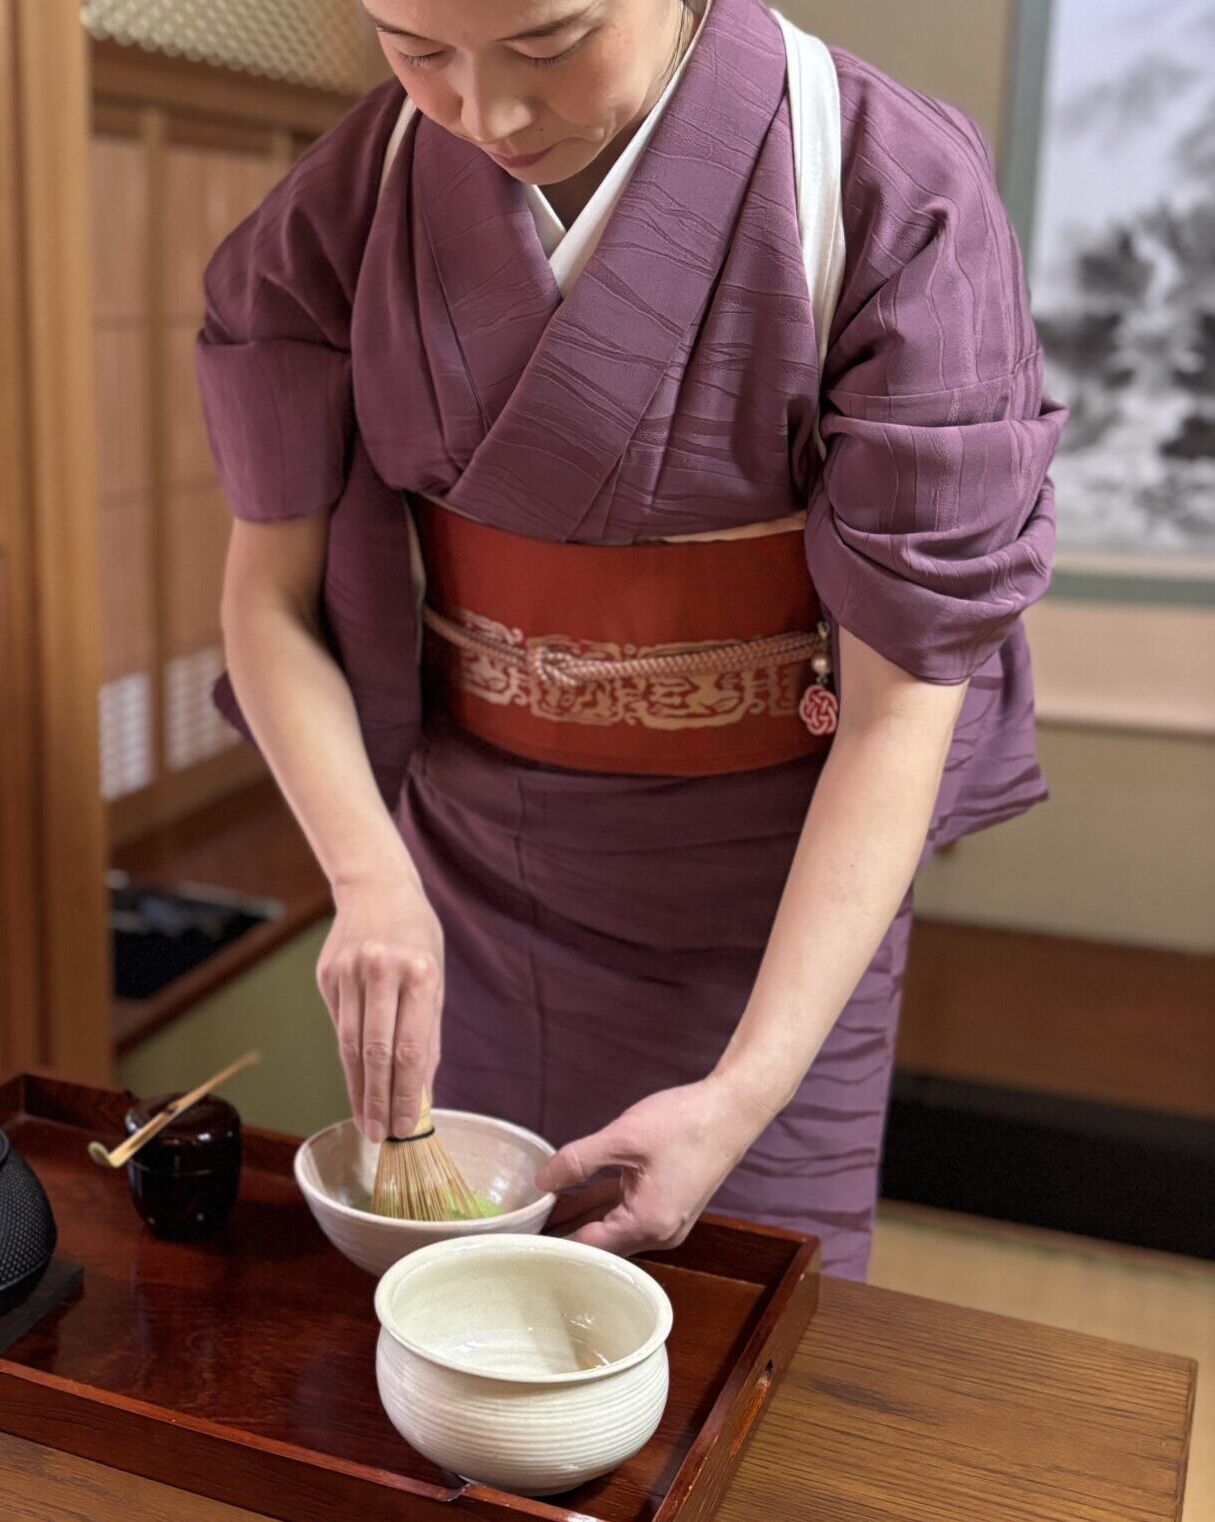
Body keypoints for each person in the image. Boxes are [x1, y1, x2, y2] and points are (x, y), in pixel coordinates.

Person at [195, 0, 1063, 1278]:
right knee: (470, 1296)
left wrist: (747, 1088)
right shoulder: (349, 202)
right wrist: (374, 881)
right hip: (472, 873)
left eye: (547, 43)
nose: (486, 113)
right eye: (414, 47)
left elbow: (897, 704)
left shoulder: (883, 186)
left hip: (772, 896)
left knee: (752, 1324)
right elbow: (267, 598)